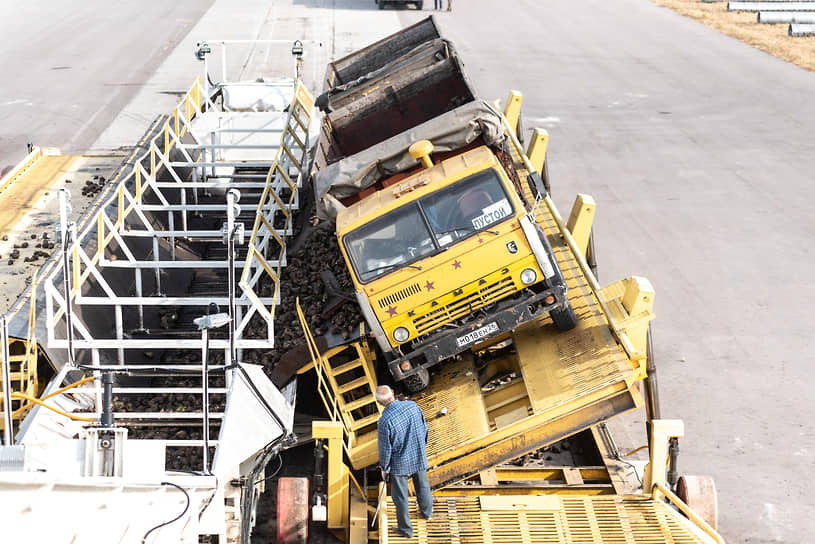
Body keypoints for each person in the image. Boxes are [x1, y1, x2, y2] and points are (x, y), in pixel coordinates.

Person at [376, 385, 433, 538]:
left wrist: (385, 468)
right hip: (418, 453)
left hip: (399, 463)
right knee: (423, 485)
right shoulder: (413, 406)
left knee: (400, 497)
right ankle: (427, 513)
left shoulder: (384, 422)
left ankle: (406, 530)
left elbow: (385, 450)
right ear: (393, 393)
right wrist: (422, 446)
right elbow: (425, 428)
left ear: (379, 403)